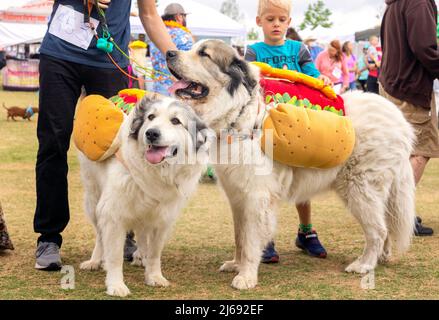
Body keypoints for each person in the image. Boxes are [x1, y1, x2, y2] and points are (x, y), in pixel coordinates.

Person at [33, 0, 177, 271]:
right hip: (60, 55)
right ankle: (48, 237)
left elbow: (148, 13)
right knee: (53, 142)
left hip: (110, 60)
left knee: (122, 150)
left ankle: (123, 234)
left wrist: (175, 57)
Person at [245, 0, 330, 263]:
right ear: (259, 22)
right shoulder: (252, 51)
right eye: (270, 19)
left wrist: (323, 80)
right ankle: (265, 238)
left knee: (298, 179)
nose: (276, 24)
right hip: (265, 129)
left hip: (297, 127)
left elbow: (313, 77)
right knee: (266, 183)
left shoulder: (299, 49)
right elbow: (247, 85)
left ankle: (306, 232)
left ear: (289, 22)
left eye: (282, 20)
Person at [379, 0, 439, 236]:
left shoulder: (396, 3)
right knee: (420, 150)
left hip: (394, 85)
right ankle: (396, 213)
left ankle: (394, 210)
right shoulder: (418, 1)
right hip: (409, 89)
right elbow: (425, 48)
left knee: (399, 153)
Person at [149, 3, 193, 96]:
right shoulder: (183, 35)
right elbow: (190, 66)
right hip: (177, 92)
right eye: (184, 16)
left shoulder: (155, 34)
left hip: (156, 90)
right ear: (178, 17)